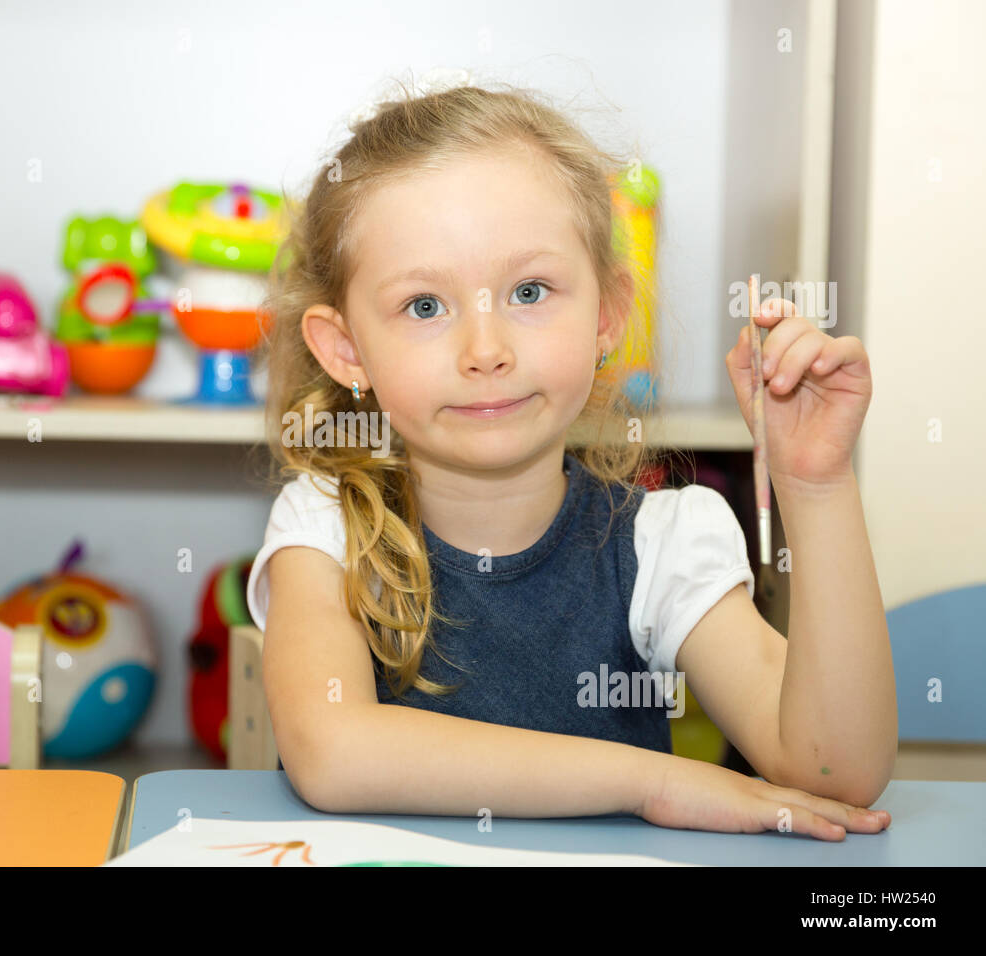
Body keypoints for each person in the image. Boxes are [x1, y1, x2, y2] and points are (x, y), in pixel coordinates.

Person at [244, 76, 894, 841]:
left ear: (608, 316)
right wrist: (653, 783)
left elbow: (834, 774)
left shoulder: (663, 543)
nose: (485, 351)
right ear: (346, 348)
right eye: (425, 306)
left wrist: (814, 486)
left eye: (529, 291)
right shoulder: (322, 530)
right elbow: (331, 753)